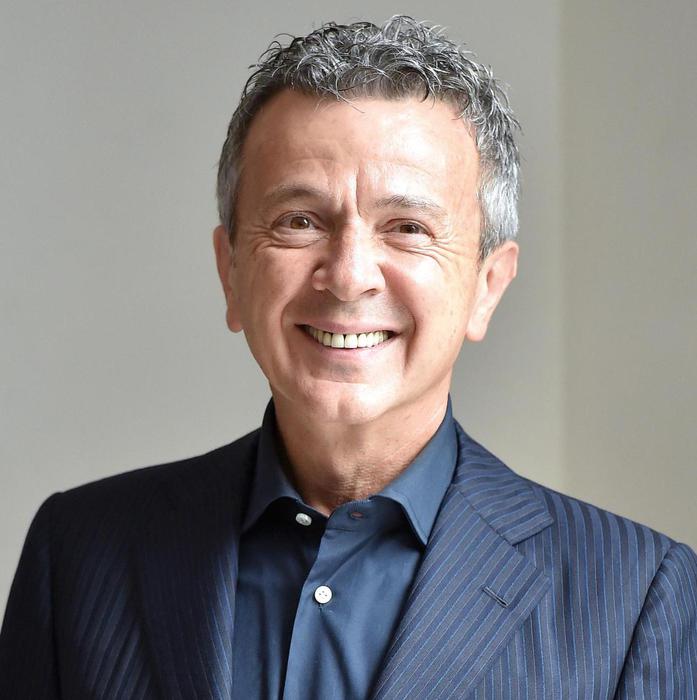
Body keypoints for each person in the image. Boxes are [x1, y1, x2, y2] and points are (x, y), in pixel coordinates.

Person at [1, 15, 695, 699]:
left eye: (407, 227)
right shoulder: (79, 553)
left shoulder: (636, 599)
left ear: (487, 286)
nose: (348, 275)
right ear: (230, 272)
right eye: (299, 221)